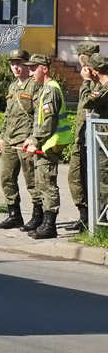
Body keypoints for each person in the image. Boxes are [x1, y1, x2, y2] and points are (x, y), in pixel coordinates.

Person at [23, 54, 74, 239]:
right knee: (42, 183)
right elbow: (40, 121)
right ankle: (45, 222)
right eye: (29, 68)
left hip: (51, 143)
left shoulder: (51, 90)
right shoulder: (45, 89)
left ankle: (50, 226)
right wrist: (31, 138)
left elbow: (49, 122)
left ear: (44, 68)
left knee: (47, 184)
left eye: (33, 68)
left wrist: (35, 141)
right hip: (46, 142)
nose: (30, 72)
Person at [0, 49, 40, 230]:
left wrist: (34, 138)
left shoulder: (34, 86)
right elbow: (7, 114)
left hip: (25, 140)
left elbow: (38, 116)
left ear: (27, 65)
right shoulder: (12, 87)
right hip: (10, 140)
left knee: (32, 180)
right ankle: (14, 215)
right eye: (13, 63)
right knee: (6, 177)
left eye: (19, 63)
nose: (16, 67)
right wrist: (2, 137)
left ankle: (38, 215)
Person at [66, 41, 100, 232]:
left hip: (94, 140)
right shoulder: (87, 78)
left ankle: (95, 220)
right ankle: (84, 216)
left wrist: (87, 81)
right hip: (81, 137)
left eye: (80, 56)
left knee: (94, 180)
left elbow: (89, 102)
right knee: (75, 176)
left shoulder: (97, 80)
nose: (79, 60)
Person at [82, 52, 108, 224]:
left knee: (104, 180)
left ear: (95, 71)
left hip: (104, 141)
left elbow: (86, 101)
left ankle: (102, 221)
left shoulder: (104, 88)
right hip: (101, 140)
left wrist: (86, 81)